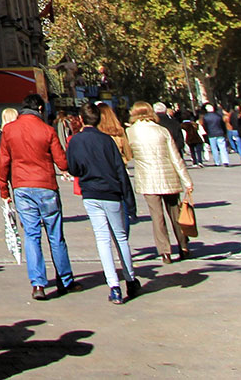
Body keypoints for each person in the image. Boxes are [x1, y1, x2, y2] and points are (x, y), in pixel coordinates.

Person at [0, 93, 73, 300]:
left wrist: (4, 190)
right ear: (40, 109)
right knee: (55, 235)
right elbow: (62, 163)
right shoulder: (47, 130)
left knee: (31, 235)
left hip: (21, 187)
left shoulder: (9, 131)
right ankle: (65, 280)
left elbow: (3, 162)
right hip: (46, 185)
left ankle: (38, 284)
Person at [64, 104, 139, 304]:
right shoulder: (107, 140)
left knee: (102, 238)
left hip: (90, 193)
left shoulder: (75, 141)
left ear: (81, 118)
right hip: (111, 192)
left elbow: (72, 168)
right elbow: (120, 170)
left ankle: (113, 286)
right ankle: (130, 279)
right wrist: (130, 202)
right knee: (120, 237)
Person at [125, 101, 193, 263]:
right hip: (168, 176)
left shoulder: (130, 132)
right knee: (175, 213)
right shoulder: (162, 131)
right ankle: (183, 245)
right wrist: (187, 180)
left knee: (157, 216)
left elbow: (128, 155)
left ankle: (165, 252)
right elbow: (175, 157)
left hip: (147, 179)